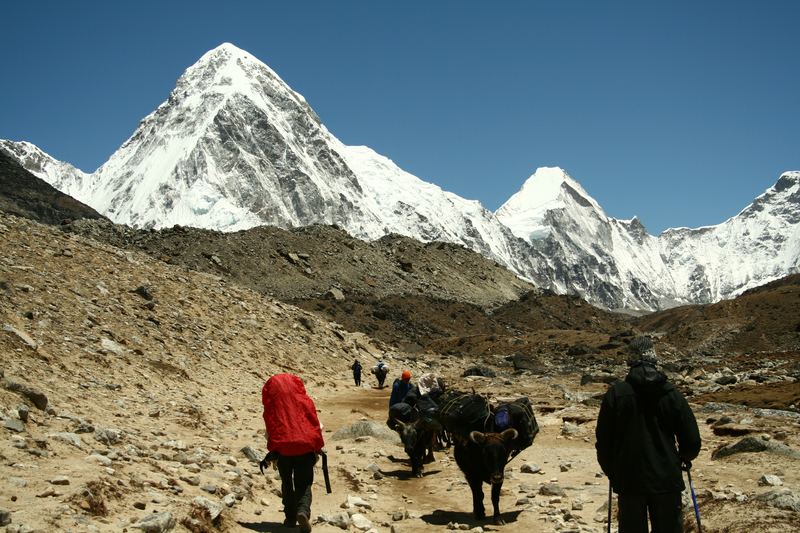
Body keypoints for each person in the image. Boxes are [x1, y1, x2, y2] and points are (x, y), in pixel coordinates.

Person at [595, 336, 702, 533]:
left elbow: (603, 440)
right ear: (654, 358)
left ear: (630, 359)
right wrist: (683, 459)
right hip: (667, 477)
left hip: (629, 479)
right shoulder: (671, 394)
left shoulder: (617, 393)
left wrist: (613, 470)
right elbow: (692, 440)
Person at [261, 374, 325, 533]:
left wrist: (273, 449)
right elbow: (314, 423)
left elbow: (270, 429)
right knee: (304, 483)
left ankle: (290, 518)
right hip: (304, 448)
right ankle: (302, 512)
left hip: (283, 450)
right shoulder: (305, 401)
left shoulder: (273, 405)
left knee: (287, 483)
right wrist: (317, 445)